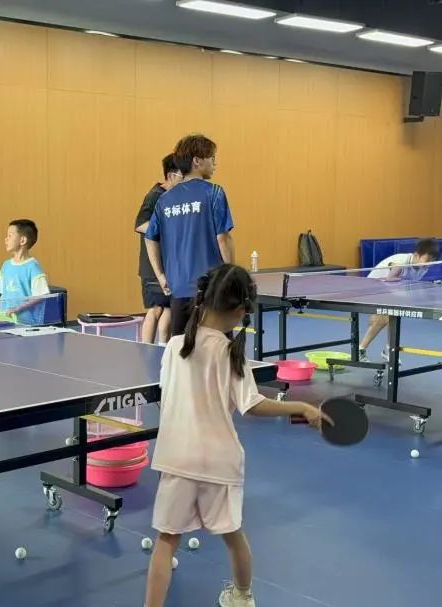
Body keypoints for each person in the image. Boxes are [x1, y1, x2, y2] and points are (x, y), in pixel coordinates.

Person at [144, 264, 329, 607]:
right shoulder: (231, 353)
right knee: (233, 535)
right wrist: (301, 408)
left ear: (202, 299)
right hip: (219, 461)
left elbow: (166, 398)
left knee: (166, 541)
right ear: (242, 310)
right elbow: (252, 405)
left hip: (177, 457)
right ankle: (241, 597)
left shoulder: (174, 346)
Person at [145, 134, 235, 337]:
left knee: (182, 348)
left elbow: (149, 237)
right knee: (218, 348)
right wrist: (231, 275)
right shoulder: (214, 193)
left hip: (178, 289)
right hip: (212, 289)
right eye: (212, 158)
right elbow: (223, 238)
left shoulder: (165, 200)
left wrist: (161, 276)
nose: (215, 163)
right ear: (197, 161)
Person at [359, 238, 440, 361]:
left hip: (388, 291)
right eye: (427, 260)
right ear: (416, 255)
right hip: (371, 288)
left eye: (432, 261)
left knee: (393, 316)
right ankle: (361, 350)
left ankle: (389, 350)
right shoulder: (402, 262)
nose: (429, 264)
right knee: (383, 317)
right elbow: (389, 279)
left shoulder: (423, 267)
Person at [134, 154, 182, 345]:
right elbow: (140, 225)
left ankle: (163, 347)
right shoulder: (155, 195)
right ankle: (146, 348)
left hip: (169, 264)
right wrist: (167, 230)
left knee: (168, 307)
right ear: (171, 175)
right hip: (151, 265)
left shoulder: (175, 198)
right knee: (155, 309)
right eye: (182, 175)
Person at [0, 219, 50, 326]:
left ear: (22, 240)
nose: (6, 239)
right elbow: (3, 297)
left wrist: (18, 308)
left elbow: (41, 296)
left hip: (27, 325)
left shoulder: (33, 267)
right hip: (5, 321)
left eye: (10, 235)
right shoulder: (6, 266)